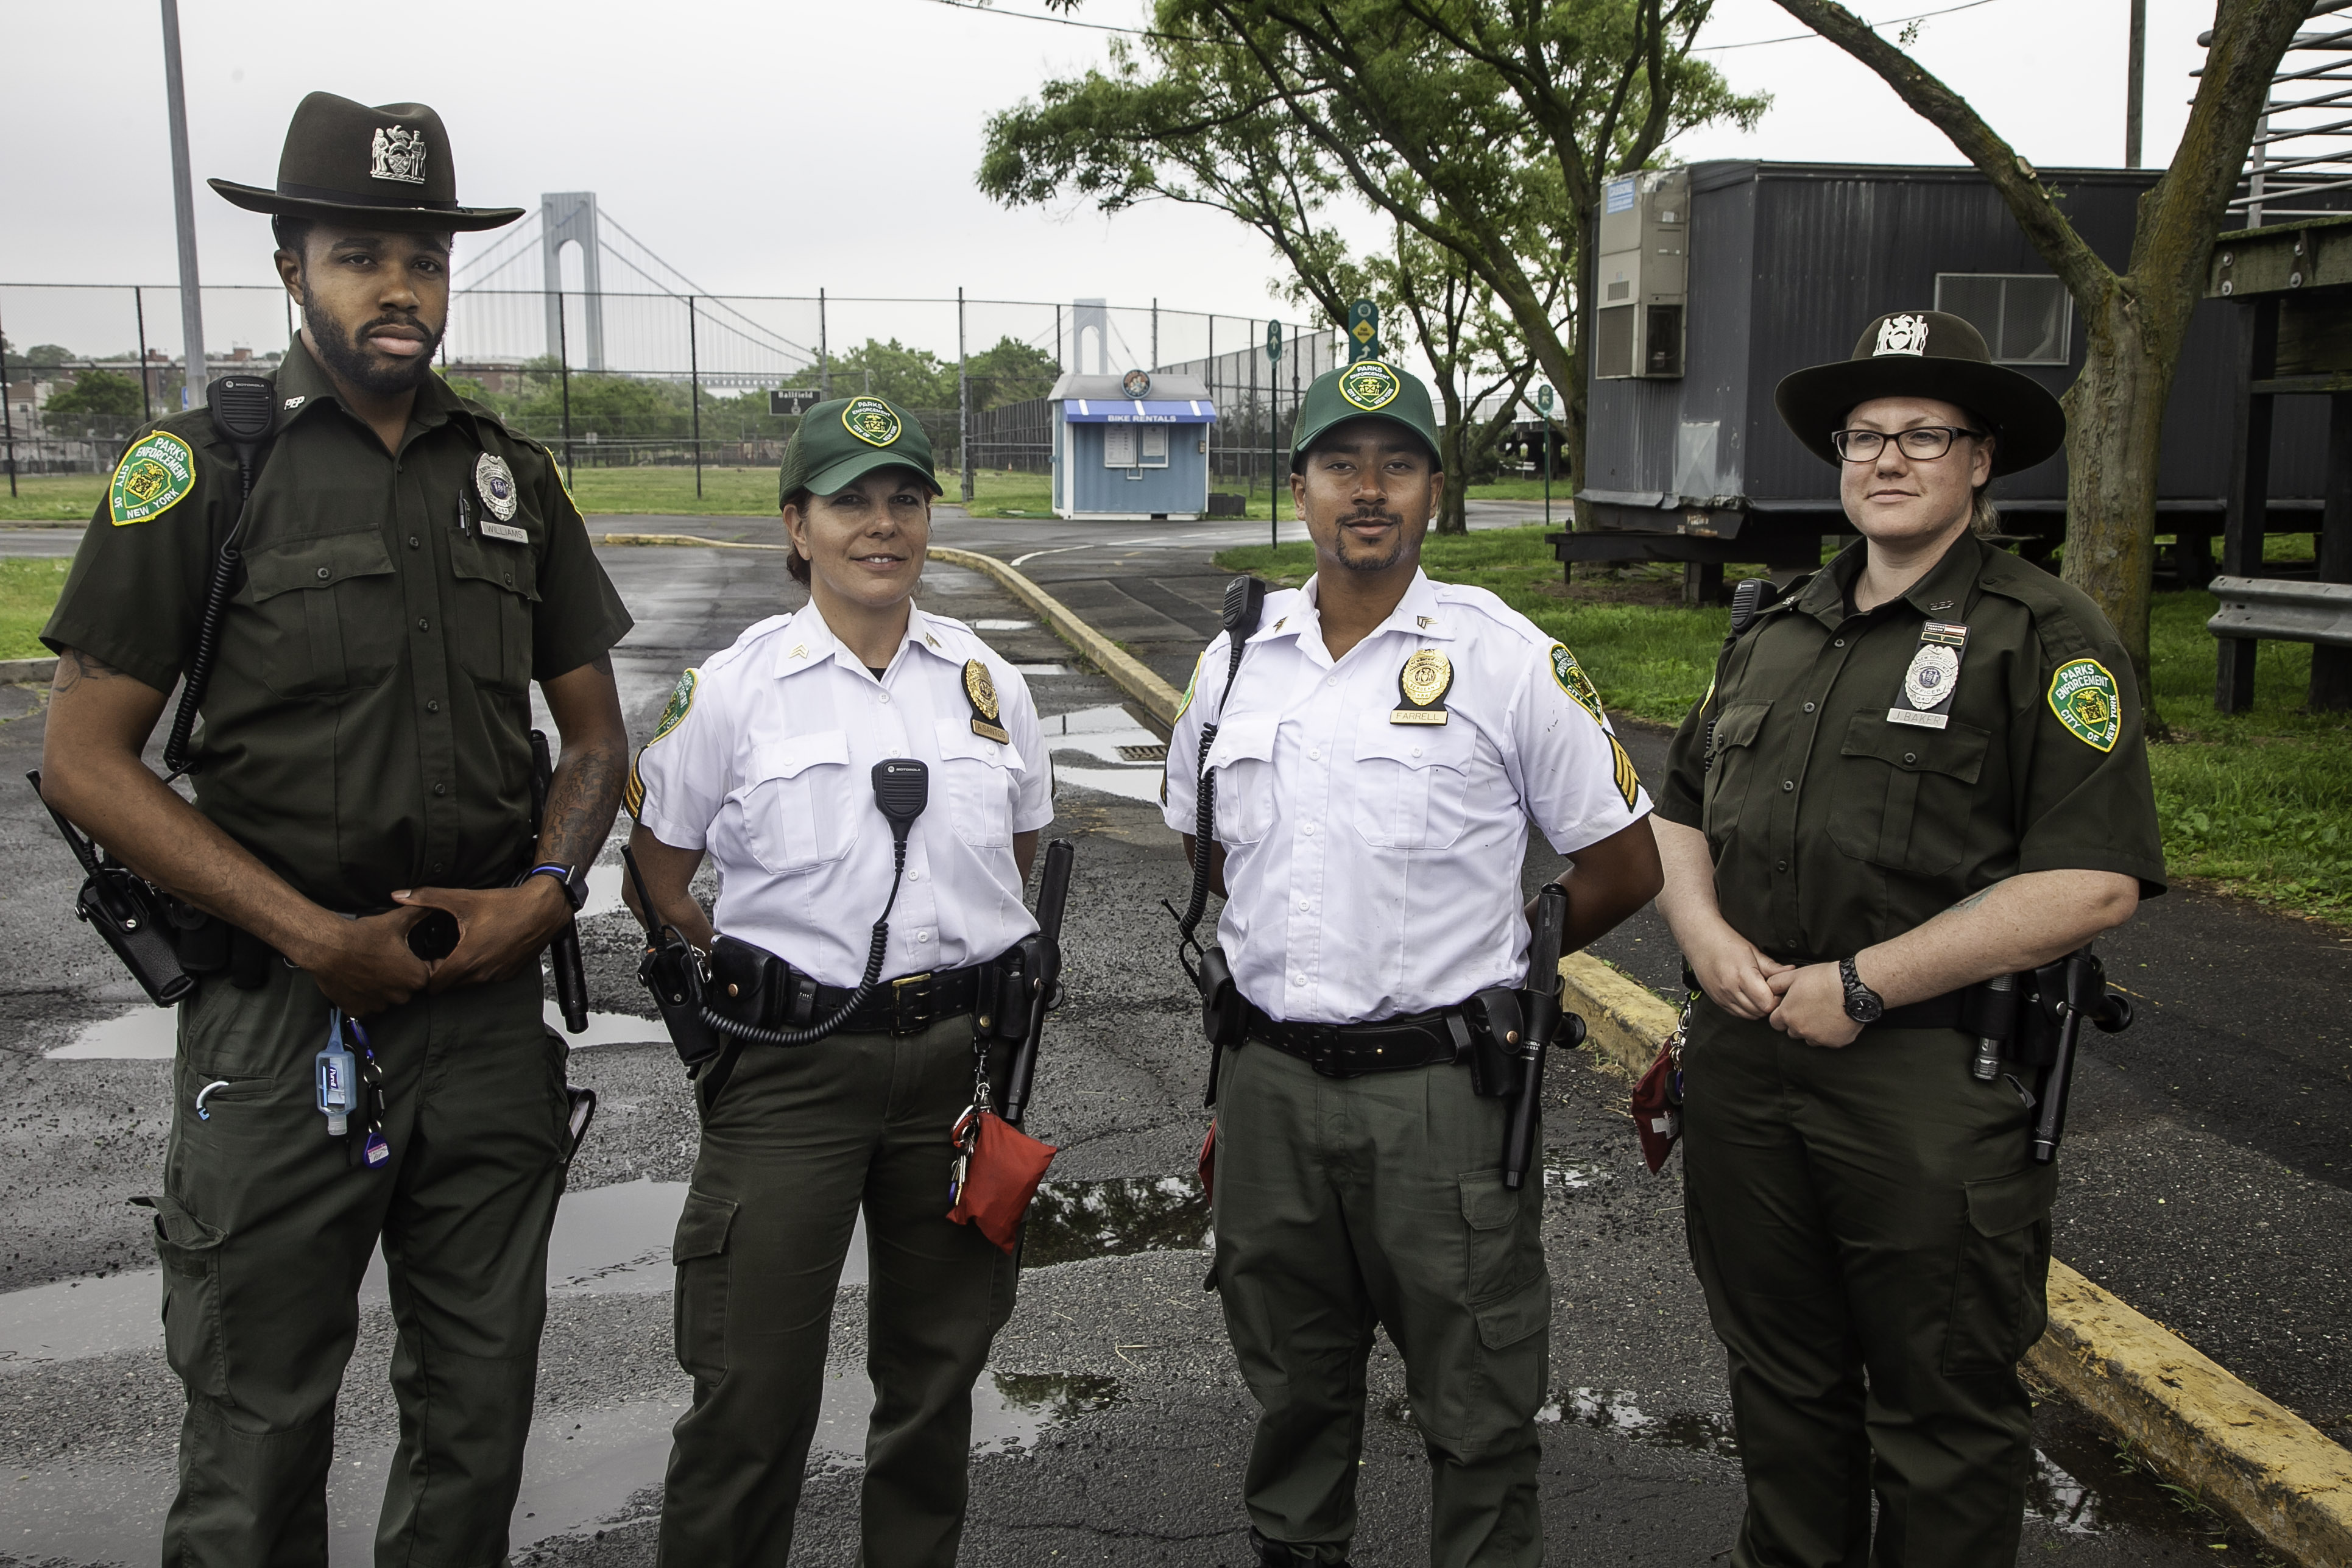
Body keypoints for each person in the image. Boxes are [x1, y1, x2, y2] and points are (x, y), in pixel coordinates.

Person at [36, 91, 633, 1564]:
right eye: (363, 254)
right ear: (292, 264)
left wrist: (548, 893)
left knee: (478, 1417)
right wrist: (311, 933)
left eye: (424, 259)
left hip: (486, 1013)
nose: (401, 288)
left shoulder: (512, 475)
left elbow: (598, 734)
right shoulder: (199, 470)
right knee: (255, 1430)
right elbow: (83, 760)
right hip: (281, 1014)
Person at [1652, 310, 2167, 1567]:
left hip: (1922, 1086)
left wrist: (1865, 987)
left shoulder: (2039, 635)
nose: (1886, 459)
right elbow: (1672, 813)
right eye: (1863, 435)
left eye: (1922, 434)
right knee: (1778, 1391)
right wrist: (1703, 934)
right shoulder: (1769, 631)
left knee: (1937, 1413)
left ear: (1978, 460)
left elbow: (2092, 882)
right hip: (1748, 1066)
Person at [1163, 359, 1664, 1568]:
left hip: (1439, 1096)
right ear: (1300, 491)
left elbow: (1622, 862)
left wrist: (1504, 961)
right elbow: (1203, 837)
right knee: (1292, 1400)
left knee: (1476, 1411)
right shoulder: (1235, 656)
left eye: (1395, 465)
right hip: (1269, 1086)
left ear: (1435, 490)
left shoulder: (1500, 656)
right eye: (1341, 464)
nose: (1367, 490)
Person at [622, 394, 1055, 1566]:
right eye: (849, 500)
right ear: (795, 525)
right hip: (789, 1079)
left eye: (904, 498)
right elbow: (660, 874)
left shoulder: (985, 682)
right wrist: (749, 981)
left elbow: (1011, 860)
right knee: (750, 1395)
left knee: (933, 1386)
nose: (881, 524)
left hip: (954, 1077)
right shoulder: (734, 687)